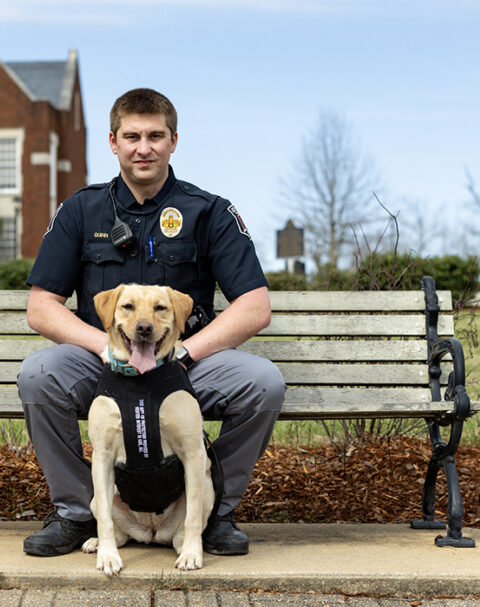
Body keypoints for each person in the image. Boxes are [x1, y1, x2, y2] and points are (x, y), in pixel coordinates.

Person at [18, 88, 284, 557]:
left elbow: (254, 306)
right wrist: (102, 346)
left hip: (186, 366)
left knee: (263, 383)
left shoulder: (210, 212)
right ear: (113, 141)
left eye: (156, 136)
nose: (144, 148)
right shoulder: (80, 210)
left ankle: (211, 513)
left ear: (174, 141)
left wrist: (187, 352)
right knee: (39, 374)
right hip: (103, 365)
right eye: (132, 136)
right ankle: (78, 513)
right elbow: (41, 307)